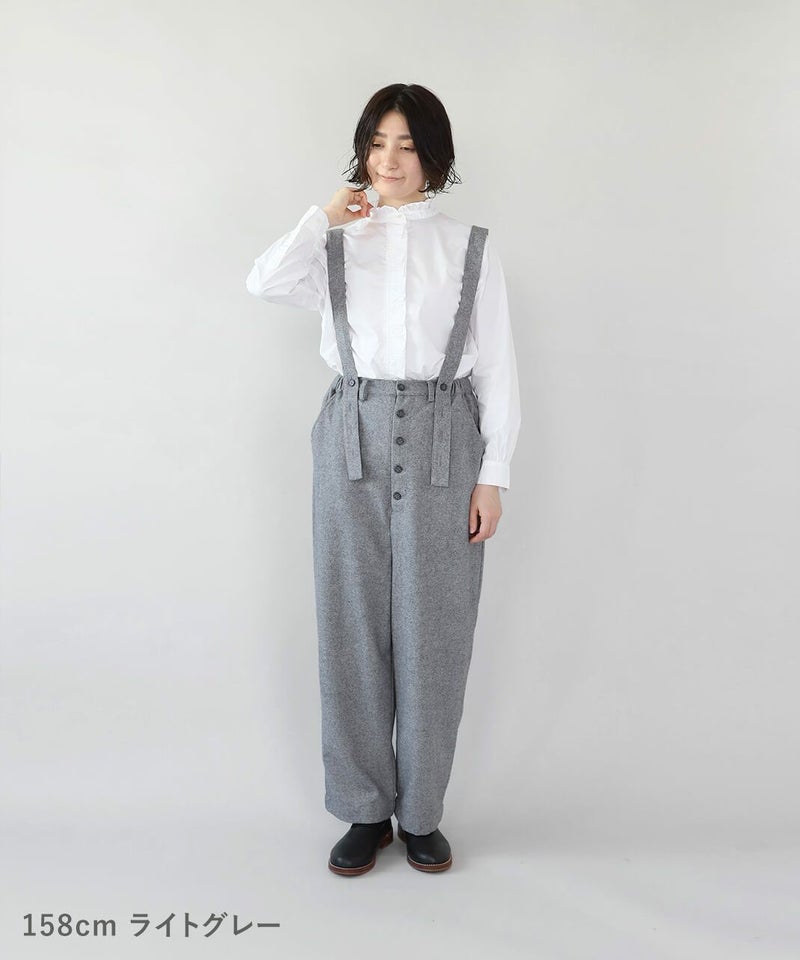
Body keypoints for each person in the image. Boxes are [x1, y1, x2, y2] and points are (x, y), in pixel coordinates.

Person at [245, 83, 521, 875]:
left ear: (434, 154)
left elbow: (498, 367)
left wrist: (492, 474)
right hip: (351, 434)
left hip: (444, 437)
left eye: (405, 144)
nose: (388, 160)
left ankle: (422, 812)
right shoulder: (336, 243)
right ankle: (364, 809)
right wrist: (322, 218)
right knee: (351, 624)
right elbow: (264, 282)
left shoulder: (469, 247)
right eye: (375, 143)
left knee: (436, 630)